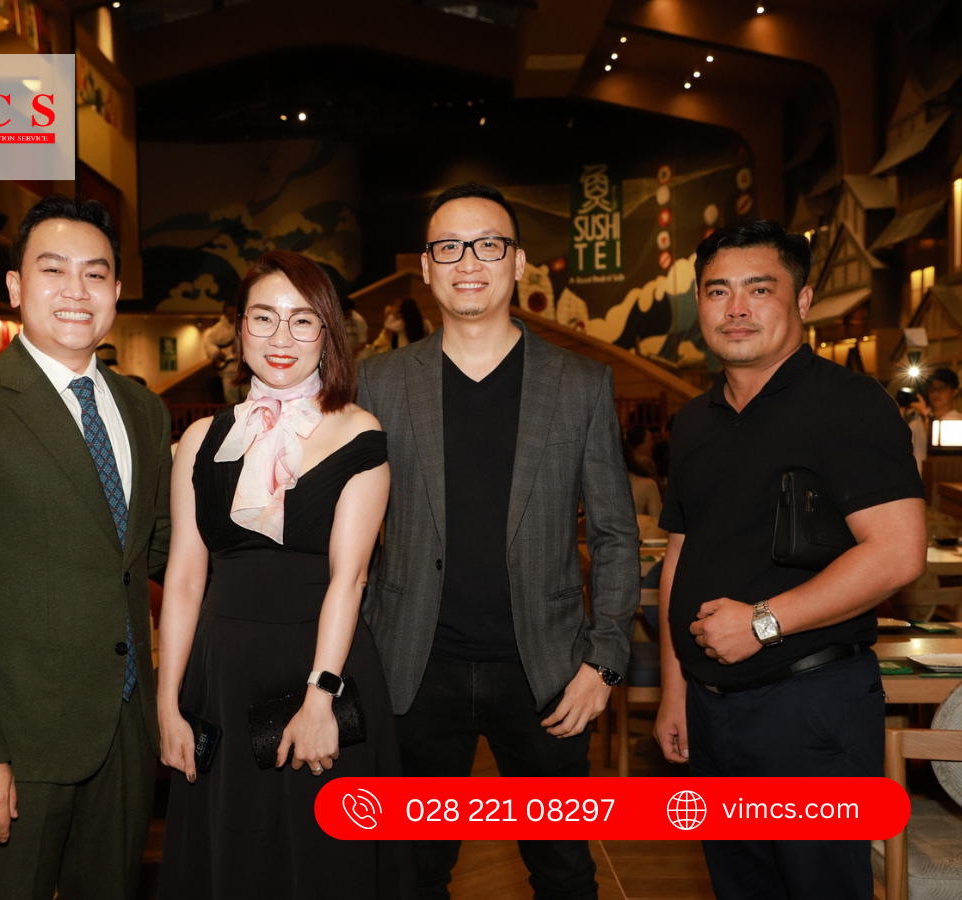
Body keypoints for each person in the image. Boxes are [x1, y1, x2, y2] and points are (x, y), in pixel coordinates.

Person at [357, 182, 639, 899]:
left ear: (518, 262)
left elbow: (615, 532)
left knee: (564, 872)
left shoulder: (580, 383)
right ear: (426, 267)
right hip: (413, 669)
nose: (468, 261)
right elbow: (341, 533)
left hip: (548, 671)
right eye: (449, 247)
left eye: (488, 244)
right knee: (411, 875)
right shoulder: (378, 383)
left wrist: (604, 662)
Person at [0, 196, 173, 900]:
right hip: (14, 743)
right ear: (16, 287)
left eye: (95, 274)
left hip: (125, 731)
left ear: (117, 290)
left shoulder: (143, 409)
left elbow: (154, 551)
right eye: (53, 270)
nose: (76, 290)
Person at [652, 220, 925, 900]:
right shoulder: (695, 420)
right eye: (718, 291)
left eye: (759, 289)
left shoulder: (848, 404)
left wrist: (764, 621)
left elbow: (898, 553)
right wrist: (675, 690)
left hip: (809, 706)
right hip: (711, 709)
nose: (736, 308)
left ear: (801, 301)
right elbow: (681, 555)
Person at [156, 250, 413, 899]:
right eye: (264, 317)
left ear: (328, 333)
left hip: (322, 668)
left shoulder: (358, 433)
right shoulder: (200, 440)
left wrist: (320, 698)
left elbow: (350, 579)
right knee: (233, 859)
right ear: (240, 327)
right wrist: (167, 703)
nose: (281, 337)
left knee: (326, 863)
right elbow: (184, 578)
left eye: (302, 320)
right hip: (221, 676)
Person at [202, 300, 246, 403]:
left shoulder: (244, 325)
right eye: (229, 314)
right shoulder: (218, 329)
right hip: (227, 371)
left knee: (248, 396)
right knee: (230, 397)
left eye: (233, 313)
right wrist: (216, 352)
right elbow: (208, 343)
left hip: (244, 369)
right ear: (225, 314)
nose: (232, 316)